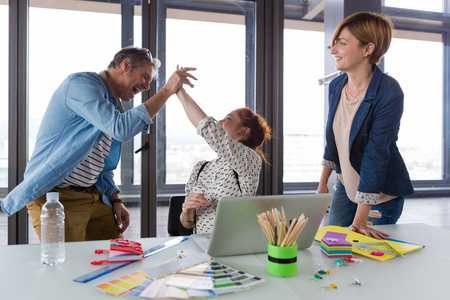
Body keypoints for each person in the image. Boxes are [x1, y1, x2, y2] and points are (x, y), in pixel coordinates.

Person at [1, 46, 196, 242]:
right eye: (145, 77)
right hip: (56, 198)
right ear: (125, 66)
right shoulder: (81, 84)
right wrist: (167, 90)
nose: (147, 86)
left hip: (93, 197)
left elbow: (101, 165)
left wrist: (115, 199)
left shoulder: (112, 106)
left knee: (118, 260)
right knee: (67, 267)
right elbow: (121, 128)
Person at [316, 12, 414, 239]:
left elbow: (376, 154)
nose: (333, 51)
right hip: (345, 187)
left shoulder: (389, 92)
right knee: (333, 248)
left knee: (365, 263)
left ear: (367, 49)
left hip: (379, 196)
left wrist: (360, 219)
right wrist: (323, 184)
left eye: (341, 43)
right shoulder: (337, 85)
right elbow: (334, 138)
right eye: (334, 44)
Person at [176, 83, 271, 234]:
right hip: (202, 249)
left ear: (243, 131)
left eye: (228, 119)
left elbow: (210, 130)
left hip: (233, 248)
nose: (220, 122)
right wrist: (187, 211)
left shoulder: (250, 160)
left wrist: (180, 92)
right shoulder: (201, 168)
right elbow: (187, 224)